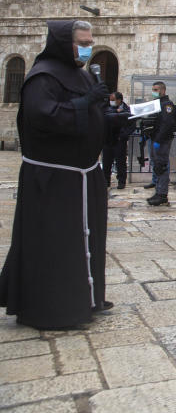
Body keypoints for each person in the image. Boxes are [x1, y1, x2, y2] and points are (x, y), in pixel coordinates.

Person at [0, 20, 112, 328]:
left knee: (85, 240)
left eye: (91, 42)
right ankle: (55, 307)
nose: (88, 48)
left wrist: (112, 119)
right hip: (54, 178)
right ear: (64, 44)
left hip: (84, 174)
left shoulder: (83, 76)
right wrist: (84, 104)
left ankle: (87, 297)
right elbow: (44, 117)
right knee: (56, 242)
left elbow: (90, 117)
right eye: (82, 43)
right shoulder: (42, 76)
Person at [146, 81, 176, 206]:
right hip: (155, 139)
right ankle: (158, 191)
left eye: (156, 89)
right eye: (153, 89)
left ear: (163, 90)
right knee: (157, 166)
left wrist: (158, 140)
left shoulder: (166, 105)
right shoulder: (157, 104)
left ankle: (162, 194)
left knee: (161, 166)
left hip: (162, 140)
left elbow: (167, 124)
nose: (154, 91)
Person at [102, 91, 134, 189]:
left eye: (113, 100)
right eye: (110, 100)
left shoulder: (127, 110)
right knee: (106, 162)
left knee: (120, 162)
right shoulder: (107, 108)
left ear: (119, 100)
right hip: (108, 139)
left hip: (120, 140)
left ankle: (121, 182)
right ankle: (105, 181)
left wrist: (124, 135)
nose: (111, 102)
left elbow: (131, 125)